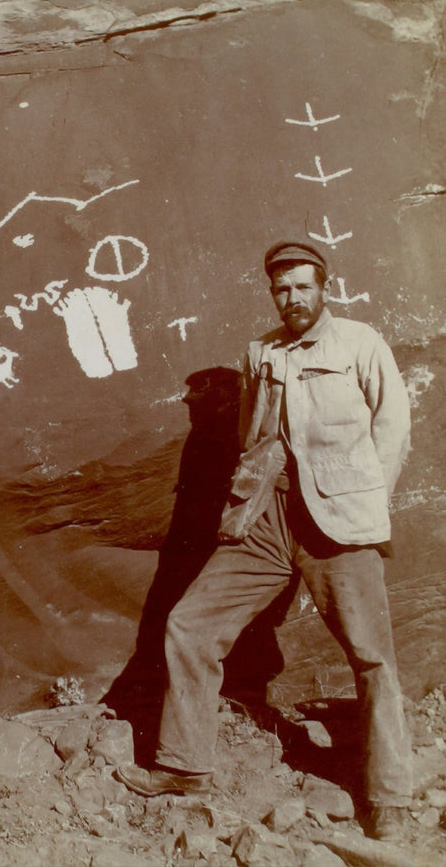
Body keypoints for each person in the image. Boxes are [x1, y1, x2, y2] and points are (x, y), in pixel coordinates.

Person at [114, 241, 413, 842]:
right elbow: (254, 431)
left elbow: (393, 427)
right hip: (268, 520)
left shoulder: (361, 344)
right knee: (190, 624)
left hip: (340, 522)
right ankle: (185, 767)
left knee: (372, 657)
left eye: (303, 286)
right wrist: (250, 499)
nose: (292, 297)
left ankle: (390, 798)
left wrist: (366, 503)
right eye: (282, 289)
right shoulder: (261, 352)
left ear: (324, 288)